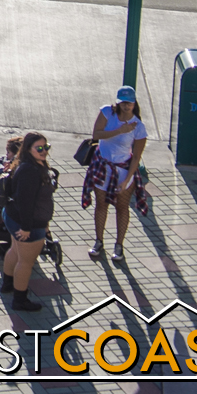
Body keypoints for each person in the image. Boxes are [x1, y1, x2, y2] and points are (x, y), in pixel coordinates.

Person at [84, 87, 148, 265]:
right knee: (101, 205)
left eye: (130, 102)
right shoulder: (107, 113)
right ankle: (98, 241)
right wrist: (120, 131)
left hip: (123, 170)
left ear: (135, 103)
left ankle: (119, 245)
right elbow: (96, 135)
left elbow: (136, 157)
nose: (126, 106)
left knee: (122, 207)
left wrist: (127, 180)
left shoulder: (138, 127)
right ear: (118, 102)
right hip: (102, 166)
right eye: (123, 102)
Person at [1, 133, 54, 311]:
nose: (44, 151)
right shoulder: (30, 171)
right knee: (26, 262)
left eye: (46, 147)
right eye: (39, 148)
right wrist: (26, 228)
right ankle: (20, 300)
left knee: (15, 250)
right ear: (28, 149)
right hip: (27, 224)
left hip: (13, 217)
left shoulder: (26, 164)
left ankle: (7, 284)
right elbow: (25, 202)